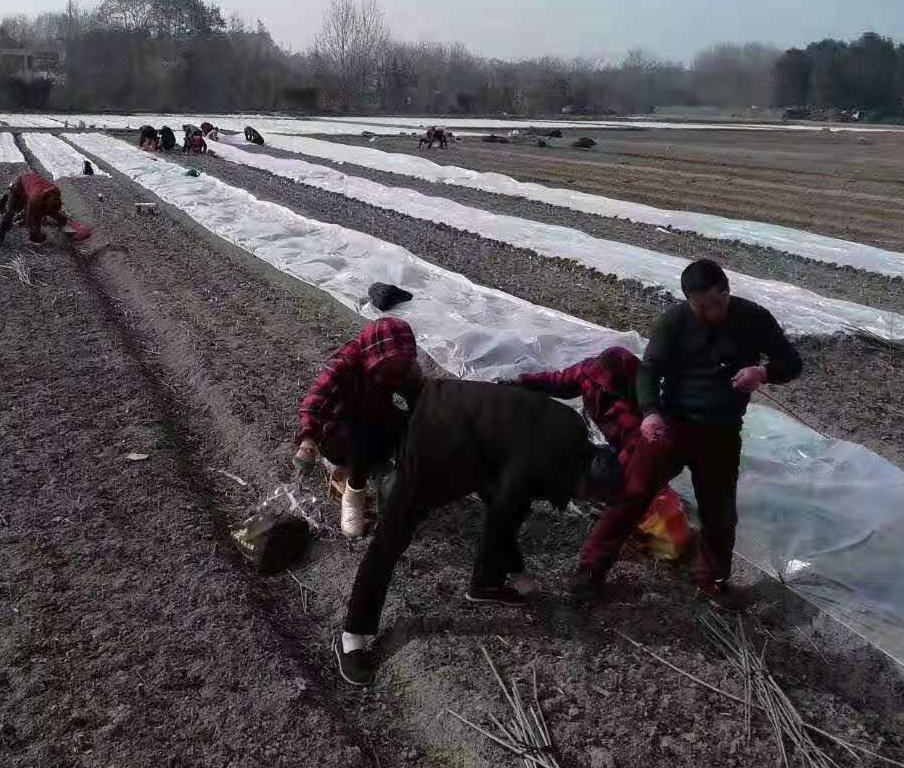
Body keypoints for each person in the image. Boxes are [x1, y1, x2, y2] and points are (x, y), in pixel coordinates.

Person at [333, 379, 623, 686]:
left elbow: (512, 484)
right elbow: (503, 505)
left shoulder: (572, 429)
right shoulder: (543, 460)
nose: (583, 500)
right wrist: (519, 570)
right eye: (587, 495)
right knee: (393, 534)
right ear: (585, 478)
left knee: (512, 503)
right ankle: (353, 635)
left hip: (471, 429)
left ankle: (486, 583)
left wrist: (514, 566)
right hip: (438, 435)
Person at [571, 259, 802, 609]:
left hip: (721, 433)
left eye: (718, 301)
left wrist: (763, 371)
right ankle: (589, 570)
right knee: (632, 494)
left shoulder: (754, 318)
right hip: (671, 427)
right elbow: (648, 372)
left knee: (719, 514)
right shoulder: (675, 322)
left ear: (726, 289)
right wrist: (650, 414)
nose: (713, 312)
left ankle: (713, 584)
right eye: (703, 307)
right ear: (689, 302)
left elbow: (792, 363)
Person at [512, 345, 692, 559]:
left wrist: (619, 481)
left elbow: (643, 452)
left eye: (611, 388)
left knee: (635, 495)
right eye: (602, 385)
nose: (605, 391)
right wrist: (522, 382)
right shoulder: (590, 374)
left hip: (638, 454)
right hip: (616, 447)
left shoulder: (646, 407)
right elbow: (559, 381)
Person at [294, 318, 421, 539]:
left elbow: (419, 397)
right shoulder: (344, 365)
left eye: (401, 365)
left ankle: (396, 484)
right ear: (375, 355)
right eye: (390, 366)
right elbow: (314, 403)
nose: (395, 373)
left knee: (408, 426)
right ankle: (353, 493)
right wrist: (308, 441)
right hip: (338, 430)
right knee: (359, 440)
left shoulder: (401, 365)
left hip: (375, 415)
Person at [0, 172, 68, 244]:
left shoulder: (56, 194)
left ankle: (9, 202)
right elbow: (30, 218)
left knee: (36, 213)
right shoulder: (35, 199)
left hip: (32, 184)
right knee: (11, 212)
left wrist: (62, 220)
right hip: (19, 185)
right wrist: (36, 235)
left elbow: (52, 210)